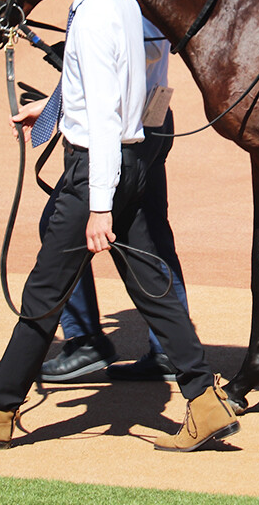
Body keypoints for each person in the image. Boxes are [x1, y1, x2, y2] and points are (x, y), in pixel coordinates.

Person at [0, 0, 239, 452]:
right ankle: (205, 401)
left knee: (43, 294)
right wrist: (49, 111)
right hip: (134, 159)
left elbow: (100, 115)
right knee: (151, 286)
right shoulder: (121, 1)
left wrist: (98, 207)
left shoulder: (92, 14)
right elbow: (115, 86)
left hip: (98, 167)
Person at [38, 23, 188, 385]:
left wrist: (87, 57)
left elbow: (142, 51)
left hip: (127, 128)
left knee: (58, 225)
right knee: (153, 237)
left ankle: (87, 339)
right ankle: (170, 349)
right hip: (150, 115)